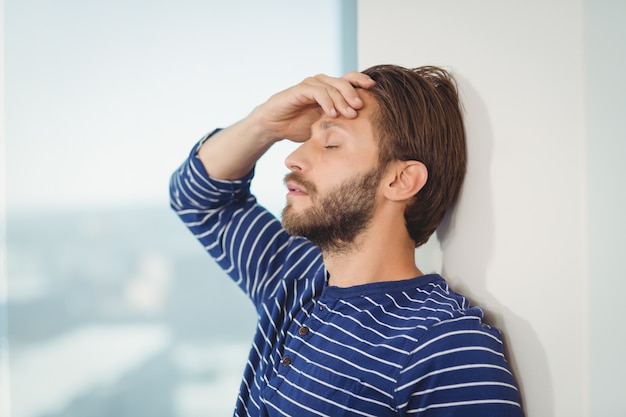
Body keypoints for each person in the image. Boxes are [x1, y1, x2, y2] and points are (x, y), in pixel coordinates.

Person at [169, 64, 524, 416]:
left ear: (401, 180)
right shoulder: (294, 278)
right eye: (306, 138)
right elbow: (197, 198)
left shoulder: (444, 347)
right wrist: (264, 124)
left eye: (331, 144)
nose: (293, 158)